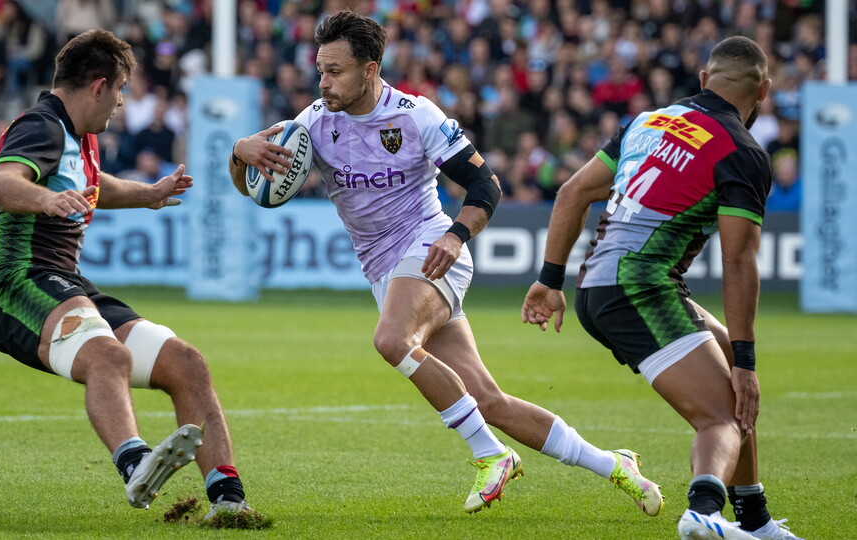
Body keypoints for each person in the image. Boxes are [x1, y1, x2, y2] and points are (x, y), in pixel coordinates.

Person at [229, 10, 663, 517]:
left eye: (335, 71)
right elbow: (256, 189)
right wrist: (241, 152)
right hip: (383, 269)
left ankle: (491, 455)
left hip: (431, 247)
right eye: (320, 71)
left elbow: (485, 185)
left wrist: (457, 236)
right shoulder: (312, 124)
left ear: (370, 70)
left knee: (392, 341)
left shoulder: (416, 116)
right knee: (488, 400)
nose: (323, 82)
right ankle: (613, 464)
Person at [521, 36, 803, 540]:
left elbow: (571, 193)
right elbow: (739, 261)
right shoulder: (742, 151)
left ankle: (755, 520)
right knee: (724, 417)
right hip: (640, 289)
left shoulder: (648, 120)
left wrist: (549, 280)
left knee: (722, 351)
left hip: (595, 285)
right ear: (763, 90)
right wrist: (748, 363)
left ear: (704, 79)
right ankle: (703, 511)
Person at [0, 29, 258, 525]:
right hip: (14, 282)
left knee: (187, 363)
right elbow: (0, 182)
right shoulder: (40, 127)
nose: (123, 102)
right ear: (98, 86)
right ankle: (135, 464)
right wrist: (46, 199)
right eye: (121, 89)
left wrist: (148, 194)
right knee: (109, 355)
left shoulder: (78, 136)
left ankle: (228, 499)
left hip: (65, 281)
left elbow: (93, 185)